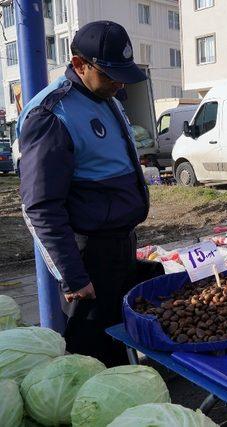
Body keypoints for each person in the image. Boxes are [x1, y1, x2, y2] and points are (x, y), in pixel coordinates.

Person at [19, 21, 149, 366]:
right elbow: (40, 206)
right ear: (79, 65)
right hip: (88, 257)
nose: (119, 84)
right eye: (110, 75)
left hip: (119, 246)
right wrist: (73, 276)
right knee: (92, 356)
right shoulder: (50, 114)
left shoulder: (104, 96)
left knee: (121, 342)